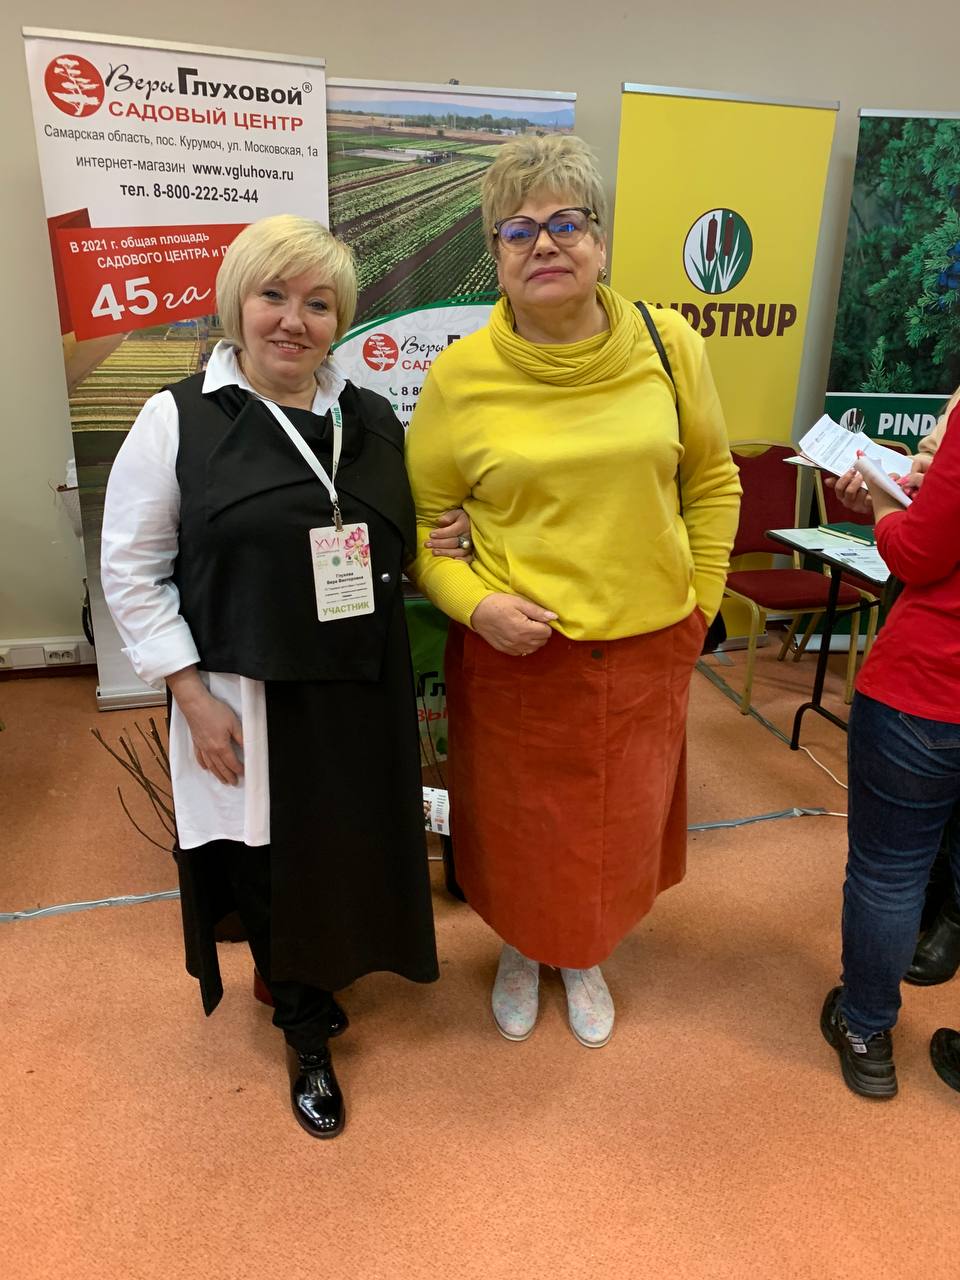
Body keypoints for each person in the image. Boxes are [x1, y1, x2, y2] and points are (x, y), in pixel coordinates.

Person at [100, 214, 470, 1139]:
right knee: (268, 860)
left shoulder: (370, 416)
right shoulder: (181, 419)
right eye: (274, 296)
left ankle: (328, 978)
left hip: (358, 684)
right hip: (248, 692)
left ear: (340, 319)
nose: (294, 321)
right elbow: (132, 571)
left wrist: (446, 538)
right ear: (238, 303)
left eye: (319, 303)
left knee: (346, 843)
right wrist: (192, 697)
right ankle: (303, 1034)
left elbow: (400, 533)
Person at [404, 136, 741, 1049]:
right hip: (517, 656)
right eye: (518, 230)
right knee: (518, 828)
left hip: (646, 647)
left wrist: (702, 603)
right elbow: (426, 532)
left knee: (615, 825)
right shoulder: (461, 377)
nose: (544, 244)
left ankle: (585, 952)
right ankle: (522, 948)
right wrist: (476, 605)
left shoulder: (670, 347)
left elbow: (714, 482)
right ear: (496, 253)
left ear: (600, 239)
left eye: (566, 223)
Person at [820, 397, 960, 1099]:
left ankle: (866, 1031)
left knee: (889, 872)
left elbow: (917, 554)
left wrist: (882, 500)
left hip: (929, 689)